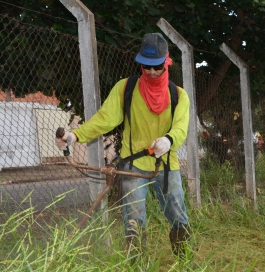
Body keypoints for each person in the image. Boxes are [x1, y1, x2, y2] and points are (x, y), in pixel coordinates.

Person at [55, 33, 191, 258]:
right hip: (132, 165)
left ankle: (185, 262)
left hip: (166, 165)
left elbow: (181, 128)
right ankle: (135, 270)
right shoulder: (126, 88)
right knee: (133, 218)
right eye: (146, 67)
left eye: (157, 66)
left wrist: (168, 141)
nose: (151, 72)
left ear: (166, 62)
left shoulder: (178, 95)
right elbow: (104, 119)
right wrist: (75, 136)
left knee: (177, 214)